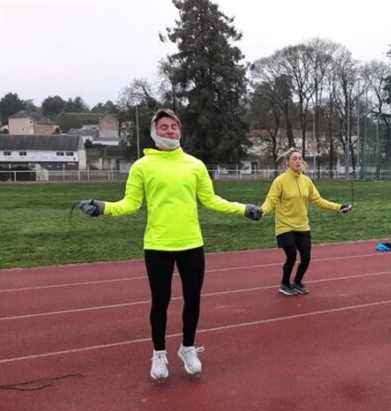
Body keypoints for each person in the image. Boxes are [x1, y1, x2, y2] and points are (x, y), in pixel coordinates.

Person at [76, 109, 262, 381]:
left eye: (174, 126)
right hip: (158, 245)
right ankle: (159, 353)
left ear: (180, 131)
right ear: (154, 131)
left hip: (191, 244)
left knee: (193, 300)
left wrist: (243, 209)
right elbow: (130, 204)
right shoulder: (142, 166)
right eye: (164, 126)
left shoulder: (195, 165)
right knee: (160, 302)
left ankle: (187, 348)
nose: (170, 130)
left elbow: (211, 200)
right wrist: (103, 208)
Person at [256, 150, 351, 296]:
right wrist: (261, 211)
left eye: (300, 158)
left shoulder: (306, 181)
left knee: (306, 258)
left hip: (302, 226)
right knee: (292, 255)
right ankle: (285, 284)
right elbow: (271, 201)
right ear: (287, 162)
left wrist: (338, 207)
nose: (298, 161)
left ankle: (298, 282)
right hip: (285, 226)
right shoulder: (280, 181)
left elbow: (318, 200)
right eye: (294, 159)